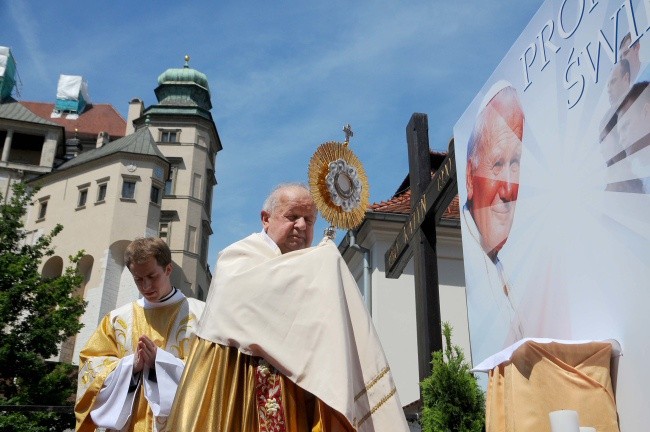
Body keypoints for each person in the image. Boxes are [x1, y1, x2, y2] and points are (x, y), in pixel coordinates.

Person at [168, 183, 409, 431]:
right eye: (292, 217)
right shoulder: (237, 258)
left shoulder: (315, 268)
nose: (302, 226)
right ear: (266, 219)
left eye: (309, 220)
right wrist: (321, 263)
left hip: (299, 391)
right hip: (241, 385)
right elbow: (251, 300)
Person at [75, 237, 205, 432]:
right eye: (138, 279)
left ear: (168, 270)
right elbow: (90, 366)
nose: (146, 287)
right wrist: (131, 366)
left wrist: (160, 362)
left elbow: (211, 372)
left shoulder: (200, 316)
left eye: (152, 277)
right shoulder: (117, 320)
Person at [461, 81, 525, 365]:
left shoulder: (503, 264)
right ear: (469, 177)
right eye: (497, 165)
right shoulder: (472, 265)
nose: (510, 189)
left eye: (515, 163)